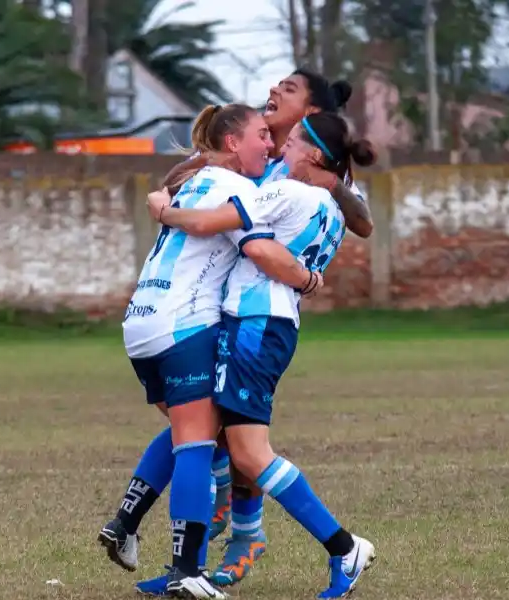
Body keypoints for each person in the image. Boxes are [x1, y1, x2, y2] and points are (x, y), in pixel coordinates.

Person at [145, 111, 378, 599]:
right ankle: (190, 566)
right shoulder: (329, 205)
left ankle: (343, 547)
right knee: (217, 440)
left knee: (246, 452)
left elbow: (210, 222)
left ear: (313, 154)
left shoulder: (290, 192)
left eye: (290, 142)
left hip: (256, 325)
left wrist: (165, 211)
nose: (278, 149)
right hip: (265, 323)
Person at [101, 103, 324, 600]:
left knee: (196, 432)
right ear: (231, 143)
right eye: (261, 135)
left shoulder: (194, 180)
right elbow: (262, 251)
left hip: (141, 323)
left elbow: (178, 193)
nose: (269, 145)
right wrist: (308, 278)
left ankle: (126, 523)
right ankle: (185, 569)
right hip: (185, 325)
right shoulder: (240, 189)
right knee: (198, 444)